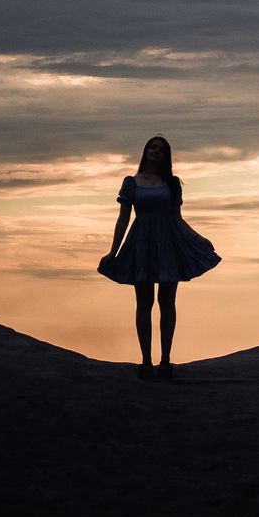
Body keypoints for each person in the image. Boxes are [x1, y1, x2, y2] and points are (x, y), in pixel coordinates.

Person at [98, 136, 221, 379]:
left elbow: (177, 218)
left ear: (166, 157)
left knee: (167, 302)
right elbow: (123, 219)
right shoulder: (131, 182)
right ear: (145, 151)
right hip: (141, 244)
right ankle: (146, 361)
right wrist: (113, 251)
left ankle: (165, 361)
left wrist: (198, 239)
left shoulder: (172, 184)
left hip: (168, 245)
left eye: (161, 150)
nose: (156, 152)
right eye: (152, 147)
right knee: (144, 302)